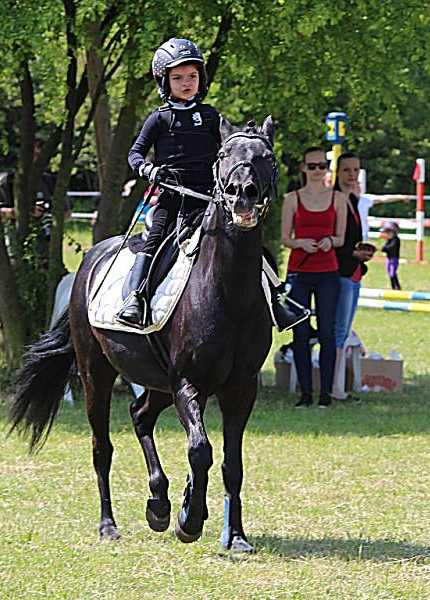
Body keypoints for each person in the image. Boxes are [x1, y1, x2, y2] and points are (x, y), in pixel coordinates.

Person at [120, 37, 304, 330]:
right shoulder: (158, 119)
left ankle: (276, 302)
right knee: (153, 243)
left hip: (209, 199)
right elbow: (134, 154)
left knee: (248, 245)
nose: (186, 83)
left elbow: (229, 149)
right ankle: (135, 298)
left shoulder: (211, 116)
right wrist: (149, 170)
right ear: (164, 80)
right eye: (178, 78)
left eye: (192, 76)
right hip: (173, 198)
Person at [281, 147, 347, 408]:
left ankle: (326, 395)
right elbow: (286, 238)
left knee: (328, 332)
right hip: (299, 271)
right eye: (312, 166)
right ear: (303, 169)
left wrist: (330, 241)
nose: (317, 170)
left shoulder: (338, 199)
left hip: (328, 271)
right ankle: (305, 393)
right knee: (301, 333)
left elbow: (341, 238)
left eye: (322, 166)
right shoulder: (292, 199)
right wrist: (300, 243)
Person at [331, 153, 374, 400]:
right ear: (338, 172)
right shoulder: (335, 198)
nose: (351, 174)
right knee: (338, 331)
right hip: (340, 271)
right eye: (347, 170)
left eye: (355, 169)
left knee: (345, 330)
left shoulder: (354, 199)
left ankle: (338, 383)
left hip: (355, 271)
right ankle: (336, 386)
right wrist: (352, 253)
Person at [381, 221, 402, 290]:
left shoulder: (396, 240)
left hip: (394, 259)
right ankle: (393, 286)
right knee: (389, 273)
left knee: (392, 273)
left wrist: (385, 249)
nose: (387, 234)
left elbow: (391, 248)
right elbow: (385, 247)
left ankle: (396, 286)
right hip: (389, 258)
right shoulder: (389, 240)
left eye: (388, 232)